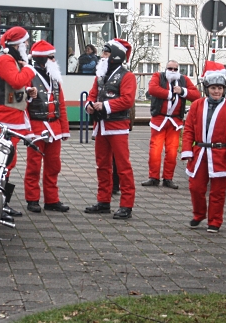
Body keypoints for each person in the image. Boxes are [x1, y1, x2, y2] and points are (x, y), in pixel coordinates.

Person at [181, 61, 226, 233]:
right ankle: (199, 214)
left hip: (221, 154)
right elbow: (188, 130)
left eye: (220, 88)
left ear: (224, 89)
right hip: (200, 153)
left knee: (218, 191)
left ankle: (215, 221)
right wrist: (187, 149)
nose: (217, 91)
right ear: (207, 87)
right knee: (196, 187)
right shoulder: (196, 105)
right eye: (213, 88)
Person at [84, 39, 137, 219]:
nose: (102, 56)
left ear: (115, 55)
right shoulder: (100, 76)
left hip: (117, 127)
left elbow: (127, 100)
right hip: (101, 126)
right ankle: (103, 201)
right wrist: (89, 105)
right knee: (102, 165)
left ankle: (126, 205)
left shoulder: (127, 76)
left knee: (123, 167)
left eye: (106, 53)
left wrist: (104, 105)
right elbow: (91, 96)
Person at [0, 26, 37, 218]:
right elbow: (17, 81)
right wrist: (29, 69)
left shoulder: (10, 59)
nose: (27, 45)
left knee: (8, 161)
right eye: (25, 42)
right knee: (3, 161)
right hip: (5, 118)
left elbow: (15, 88)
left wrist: (29, 93)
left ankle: (2, 203)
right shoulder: (5, 59)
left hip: (12, 117)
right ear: (17, 44)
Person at [24, 40, 70, 213]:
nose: (54, 60)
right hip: (36, 127)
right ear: (42, 59)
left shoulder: (54, 77)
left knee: (54, 165)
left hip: (54, 127)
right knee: (34, 166)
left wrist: (64, 129)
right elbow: (23, 105)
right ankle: (32, 199)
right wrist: (27, 130)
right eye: (51, 57)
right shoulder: (28, 74)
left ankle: (52, 200)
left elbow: (61, 104)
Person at [142, 60, 200, 189]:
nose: (173, 71)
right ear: (165, 68)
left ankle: (168, 178)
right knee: (155, 150)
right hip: (159, 119)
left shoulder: (184, 80)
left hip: (175, 121)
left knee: (172, 152)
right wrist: (170, 95)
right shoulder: (158, 76)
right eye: (170, 68)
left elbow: (197, 95)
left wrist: (182, 91)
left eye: (175, 69)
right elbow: (152, 89)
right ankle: (153, 177)